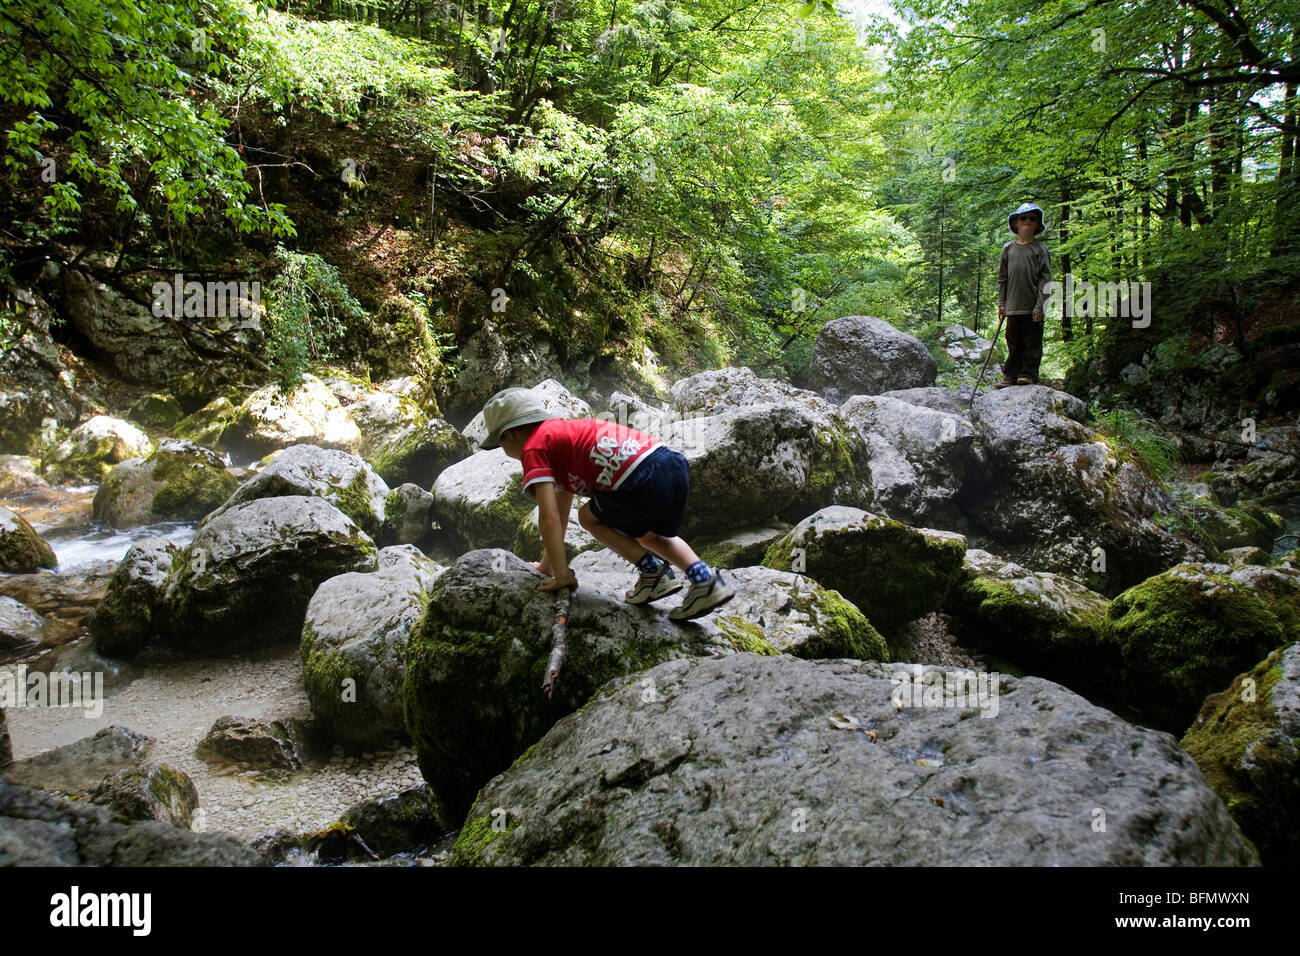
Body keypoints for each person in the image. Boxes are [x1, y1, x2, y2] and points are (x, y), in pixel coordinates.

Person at [480, 386, 736, 621]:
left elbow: (549, 518)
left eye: (500, 444)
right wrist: (548, 566)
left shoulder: (534, 449)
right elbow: (560, 507)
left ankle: (653, 573)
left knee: (587, 517)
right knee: (651, 536)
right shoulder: (561, 435)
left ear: (509, 435)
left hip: (637, 476)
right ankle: (705, 581)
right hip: (670, 464)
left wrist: (562, 575)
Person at [995, 202, 1052, 387]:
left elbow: (1045, 279)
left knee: (1032, 342)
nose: (1027, 221)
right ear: (1015, 224)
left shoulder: (1040, 249)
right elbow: (1002, 278)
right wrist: (1001, 303)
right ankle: (1011, 375)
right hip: (1012, 307)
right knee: (1013, 342)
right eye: (1023, 218)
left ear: (1037, 225)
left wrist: (1040, 306)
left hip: (1032, 307)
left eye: (1032, 218)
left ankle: (1028, 374)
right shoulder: (1008, 249)